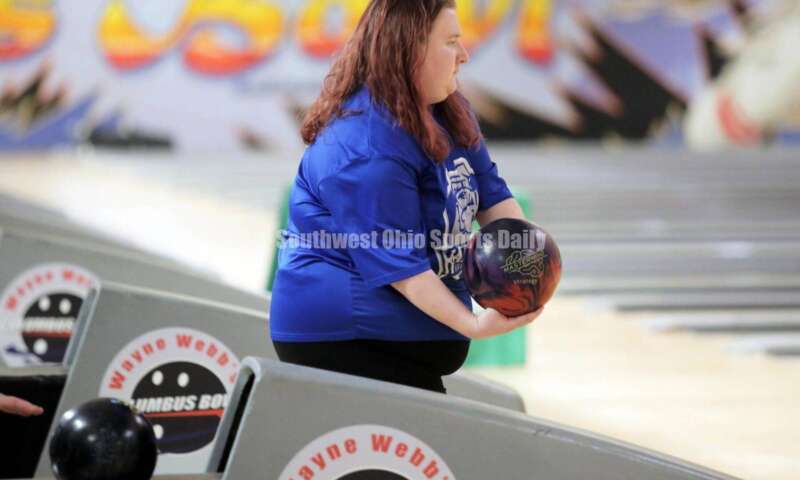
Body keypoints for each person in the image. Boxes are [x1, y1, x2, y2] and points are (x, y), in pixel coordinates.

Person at [269, 0, 542, 393]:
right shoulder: (366, 145)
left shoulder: (448, 111)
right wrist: (473, 325)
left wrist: (527, 267)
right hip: (344, 339)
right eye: (451, 42)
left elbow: (492, 195)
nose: (464, 55)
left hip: (397, 339)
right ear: (409, 50)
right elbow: (401, 267)